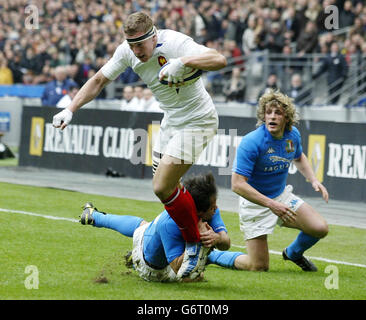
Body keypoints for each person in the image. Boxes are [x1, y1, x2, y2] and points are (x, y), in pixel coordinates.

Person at [52, 12, 227, 278]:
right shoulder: (127, 52)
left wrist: (183, 61)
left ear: (153, 36)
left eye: (140, 45)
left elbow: (219, 59)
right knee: (170, 192)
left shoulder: (175, 43)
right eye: (131, 46)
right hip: (170, 123)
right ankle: (199, 234)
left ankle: (193, 245)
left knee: (161, 186)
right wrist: (71, 108)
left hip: (198, 120)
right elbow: (99, 80)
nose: (136, 51)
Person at [79, 173, 245, 282]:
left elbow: (226, 243)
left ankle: (94, 216)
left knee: (143, 227)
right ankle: (135, 259)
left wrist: (217, 238)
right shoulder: (171, 223)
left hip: (152, 234)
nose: (216, 209)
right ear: (200, 211)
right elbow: (180, 272)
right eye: (212, 207)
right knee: (198, 271)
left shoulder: (210, 210)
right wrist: (202, 243)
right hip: (152, 268)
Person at [231, 89, 329, 272]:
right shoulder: (251, 142)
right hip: (255, 204)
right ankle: (213, 256)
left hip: (281, 197)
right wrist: (270, 204)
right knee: (258, 266)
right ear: (263, 115)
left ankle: (293, 253)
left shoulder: (292, 136)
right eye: (268, 112)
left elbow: (299, 157)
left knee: (320, 228)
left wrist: (313, 179)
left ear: (287, 117)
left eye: (278, 113)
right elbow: (237, 184)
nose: (272, 117)